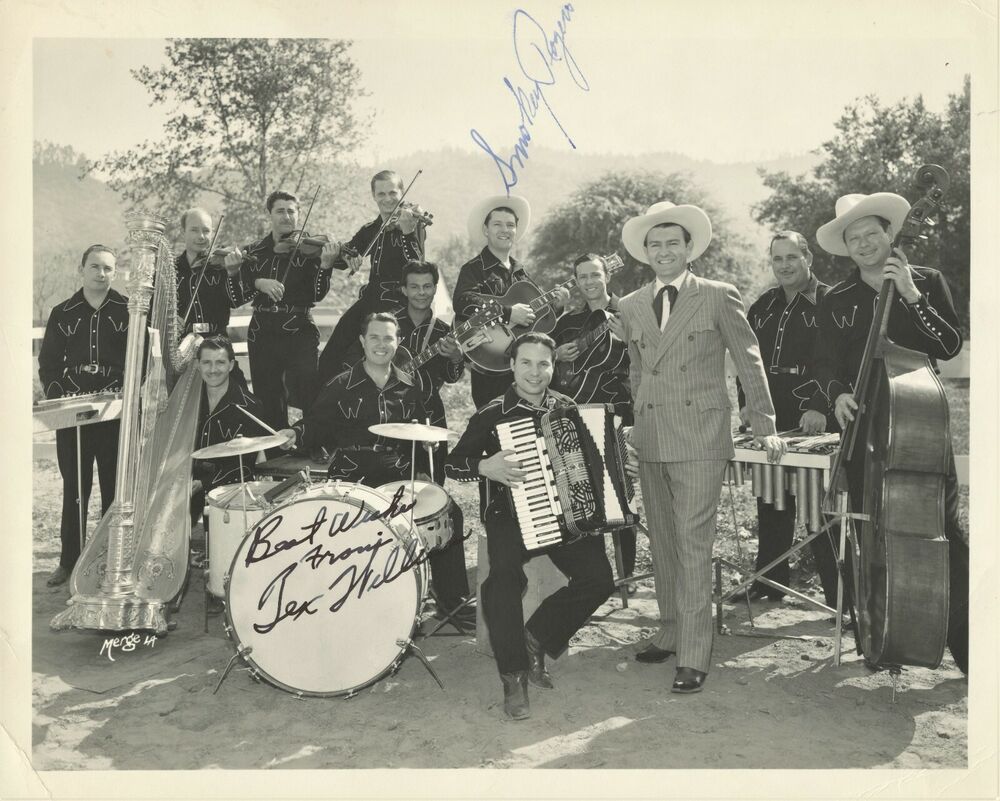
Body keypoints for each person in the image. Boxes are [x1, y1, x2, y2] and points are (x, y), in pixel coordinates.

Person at [618, 201, 785, 693]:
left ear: (689, 249)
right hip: (650, 437)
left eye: (673, 243)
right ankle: (670, 631)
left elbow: (748, 360)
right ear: (644, 253)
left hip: (700, 437)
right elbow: (634, 369)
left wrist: (764, 421)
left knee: (693, 546)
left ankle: (694, 653)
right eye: (655, 245)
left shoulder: (717, 295)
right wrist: (634, 420)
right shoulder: (629, 305)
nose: (664, 251)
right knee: (664, 544)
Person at [810, 192, 968, 674]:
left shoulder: (926, 281)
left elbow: (948, 346)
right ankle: (880, 641)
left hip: (919, 436)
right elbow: (823, 362)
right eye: (853, 238)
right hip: (865, 434)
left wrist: (914, 299)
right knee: (865, 534)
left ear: (889, 235)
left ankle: (970, 652)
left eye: (871, 234)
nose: (863, 243)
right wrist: (837, 393)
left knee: (949, 542)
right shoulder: (836, 299)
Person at [445, 332, 615, 720]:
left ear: (553, 368)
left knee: (599, 579)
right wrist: (484, 466)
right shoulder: (492, 413)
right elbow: (452, 464)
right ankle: (514, 674)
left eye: (543, 364)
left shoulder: (568, 407)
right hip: (509, 513)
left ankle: (536, 638)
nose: (535, 372)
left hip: (561, 514)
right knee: (502, 576)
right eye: (526, 363)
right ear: (512, 365)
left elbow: (589, 464)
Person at [277, 312, 474, 624]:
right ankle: (363, 599)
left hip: (397, 469)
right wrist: (295, 434)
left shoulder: (411, 385)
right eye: (375, 337)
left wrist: (425, 457)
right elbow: (315, 424)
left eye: (388, 338)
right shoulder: (341, 384)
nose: (381, 344)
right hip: (354, 473)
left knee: (448, 511)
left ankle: (453, 601)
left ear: (397, 343)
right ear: (362, 341)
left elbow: (420, 430)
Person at [736, 231, 843, 608]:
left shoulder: (832, 301)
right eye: (777, 258)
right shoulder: (762, 305)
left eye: (791, 257)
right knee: (772, 504)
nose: (784, 265)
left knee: (822, 515)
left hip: (814, 414)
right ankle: (770, 584)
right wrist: (747, 402)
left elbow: (841, 361)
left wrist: (821, 406)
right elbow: (747, 361)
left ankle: (840, 599)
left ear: (807, 258)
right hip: (771, 411)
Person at [38, 244, 129, 586]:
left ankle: (111, 558)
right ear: (82, 269)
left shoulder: (128, 310)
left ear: (115, 272)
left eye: (108, 268)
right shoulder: (63, 312)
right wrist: (63, 398)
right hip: (73, 411)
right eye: (95, 267)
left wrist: (122, 392)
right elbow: (48, 364)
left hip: (115, 411)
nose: (101, 274)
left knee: (112, 485)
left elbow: (140, 361)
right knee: (75, 486)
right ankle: (69, 560)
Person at [551, 252, 638, 587]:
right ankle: (595, 576)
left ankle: (627, 575)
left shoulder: (628, 312)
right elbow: (544, 361)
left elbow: (652, 353)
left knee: (621, 493)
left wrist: (630, 336)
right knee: (584, 495)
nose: (589, 282)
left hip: (617, 413)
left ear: (607, 276)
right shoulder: (568, 323)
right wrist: (557, 355)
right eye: (582, 277)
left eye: (594, 275)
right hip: (576, 413)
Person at [224, 190, 337, 430]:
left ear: (298, 214)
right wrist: (252, 280)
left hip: (300, 327)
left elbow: (316, 294)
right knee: (267, 396)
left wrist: (326, 266)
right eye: (280, 211)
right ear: (270, 214)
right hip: (262, 330)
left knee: (309, 389)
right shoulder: (254, 252)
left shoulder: (310, 250)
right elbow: (237, 298)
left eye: (291, 211)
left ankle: (312, 445)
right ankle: (276, 452)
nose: (286, 216)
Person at [452, 195, 568, 409]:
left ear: (516, 230)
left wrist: (557, 306)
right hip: (490, 366)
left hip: (522, 371)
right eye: (497, 224)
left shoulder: (522, 273)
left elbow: (537, 320)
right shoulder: (473, 269)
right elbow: (462, 302)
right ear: (486, 230)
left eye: (510, 225)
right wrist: (506, 312)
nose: (504, 229)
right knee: (493, 428)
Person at [317, 170, 428, 382]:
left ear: (402, 193)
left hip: (400, 303)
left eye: (393, 193)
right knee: (333, 352)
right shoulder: (371, 229)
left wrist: (406, 233)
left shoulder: (413, 224)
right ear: (374, 196)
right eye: (381, 194)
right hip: (370, 300)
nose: (387, 199)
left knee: (371, 355)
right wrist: (345, 257)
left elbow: (418, 268)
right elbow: (347, 254)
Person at [190, 335, 271, 521]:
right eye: (206, 362)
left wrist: (202, 483)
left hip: (228, 487)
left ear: (231, 365)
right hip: (188, 482)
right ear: (197, 365)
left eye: (220, 362)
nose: (212, 370)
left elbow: (244, 465)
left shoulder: (250, 406)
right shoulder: (186, 402)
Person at [174, 207, 247, 336]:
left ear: (213, 233)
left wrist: (233, 273)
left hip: (216, 342)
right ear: (182, 232)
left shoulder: (222, 265)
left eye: (206, 231)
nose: (201, 236)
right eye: (194, 230)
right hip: (181, 343)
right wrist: (170, 320)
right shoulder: (171, 269)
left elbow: (236, 302)